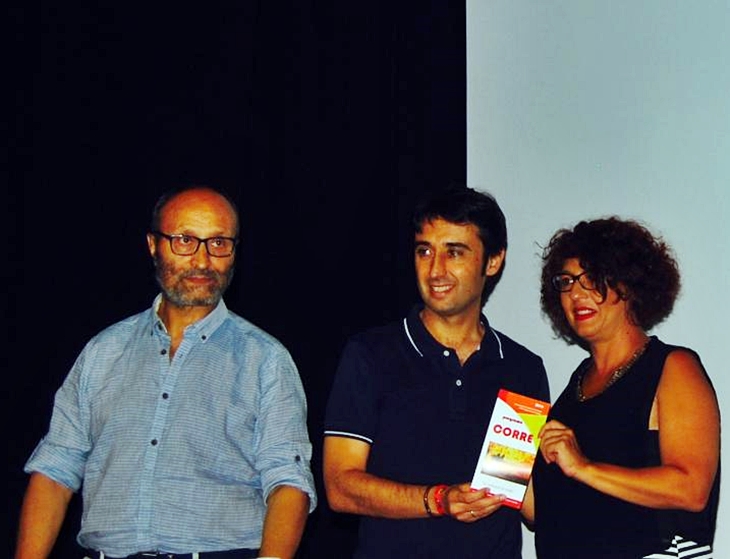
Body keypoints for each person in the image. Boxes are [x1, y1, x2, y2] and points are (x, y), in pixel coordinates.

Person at [15, 185, 317, 559]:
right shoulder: (104, 351)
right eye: (184, 241)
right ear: (153, 245)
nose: (203, 260)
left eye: (218, 243)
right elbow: (54, 471)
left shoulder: (265, 359)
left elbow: (288, 481)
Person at [323, 186, 550, 559]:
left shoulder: (520, 368)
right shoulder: (371, 355)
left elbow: (520, 493)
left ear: (493, 261)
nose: (435, 269)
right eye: (424, 251)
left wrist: (575, 468)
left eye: (454, 252)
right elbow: (340, 487)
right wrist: (439, 500)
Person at [524, 217, 720, 559]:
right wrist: (504, 473)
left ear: (629, 284)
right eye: (566, 282)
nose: (576, 293)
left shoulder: (672, 367)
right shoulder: (573, 391)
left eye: (592, 277)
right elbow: (542, 514)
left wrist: (583, 467)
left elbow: (691, 489)